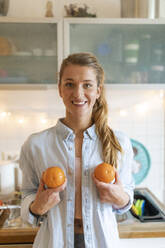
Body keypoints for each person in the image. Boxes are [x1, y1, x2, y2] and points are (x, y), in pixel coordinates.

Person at [20, 52, 134, 248]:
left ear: (98, 90)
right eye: (69, 84)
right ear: (60, 89)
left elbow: (127, 196)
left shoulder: (120, 142)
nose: (78, 94)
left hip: (102, 241)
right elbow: (27, 196)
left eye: (87, 85)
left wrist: (121, 198)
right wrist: (36, 206)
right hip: (54, 241)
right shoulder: (36, 144)